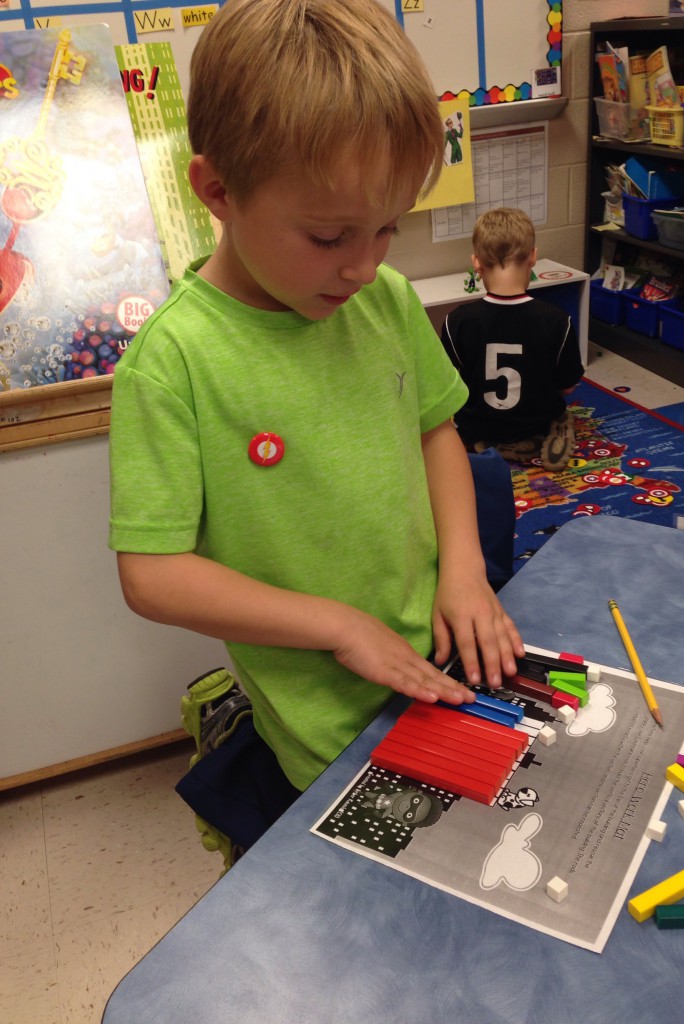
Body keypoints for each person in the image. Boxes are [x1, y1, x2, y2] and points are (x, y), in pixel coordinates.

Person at [108, 0, 524, 811]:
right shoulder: (173, 364)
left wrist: (465, 570)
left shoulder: (387, 299)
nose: (364, 267)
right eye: (331, 238)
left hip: (442, 653)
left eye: (387, 229)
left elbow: (436, 430)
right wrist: (340, 625)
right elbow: (152, 574)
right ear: (218, 191)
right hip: (322, 727)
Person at [440, 207, 583, 472]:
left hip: (475, 425)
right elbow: (567, 386)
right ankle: (537, 434)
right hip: (537, 421)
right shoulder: (557, 320)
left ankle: (490, 441)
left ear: (476, 263)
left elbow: (447, 387)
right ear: (533, 257)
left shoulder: (456, 321)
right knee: (558, 406)